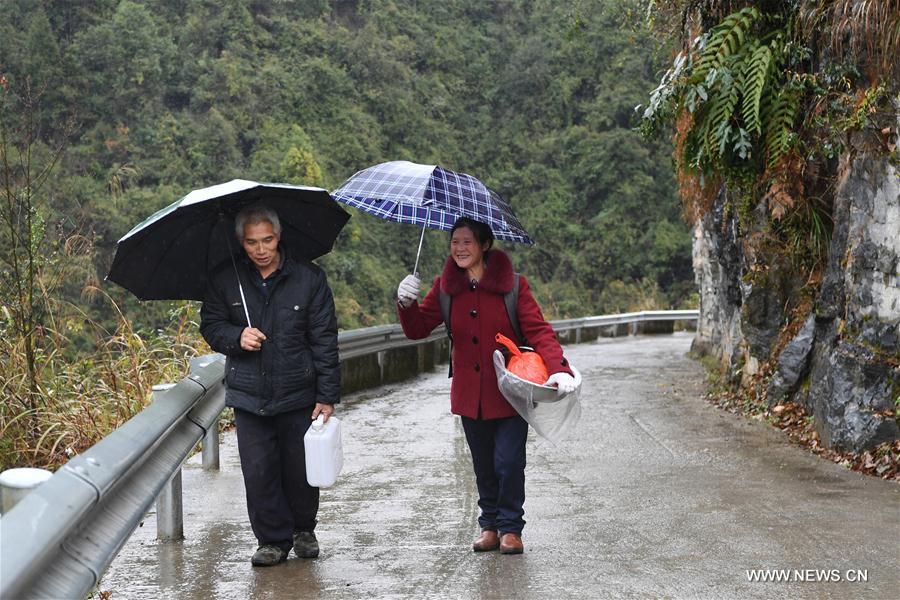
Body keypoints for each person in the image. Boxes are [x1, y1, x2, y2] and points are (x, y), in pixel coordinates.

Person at [395, 217, 576, 555]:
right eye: (454, 242)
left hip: (510, 393)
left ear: (484, 245)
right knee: (482, 464)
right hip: (469, 394)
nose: (460, 248)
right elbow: (418, 329)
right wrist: (406, 305)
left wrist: (558, 368)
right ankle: (489, 525)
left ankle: (511, 527)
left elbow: (539, 331)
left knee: (508, 462)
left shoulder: (513, 287)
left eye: (467, 242)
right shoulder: (445, 289)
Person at [200, 204, 340, 567]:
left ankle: (303, 530)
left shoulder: (309, 279)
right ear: (241, 242)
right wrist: (236, 336)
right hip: (249, 396)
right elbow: (211, 326)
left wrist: (327, 395)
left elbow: (324, 339)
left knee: (299, 469)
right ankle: (272, 540)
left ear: (278, 237)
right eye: (251, 242)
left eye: (267, 240)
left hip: (298, 392)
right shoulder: (224, 278)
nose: (260, 249)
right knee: (259, 472)